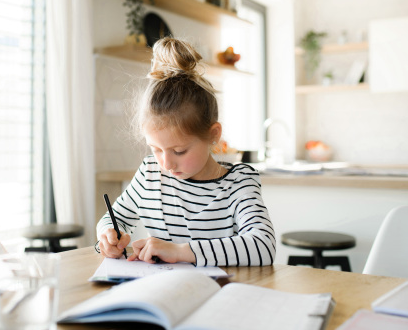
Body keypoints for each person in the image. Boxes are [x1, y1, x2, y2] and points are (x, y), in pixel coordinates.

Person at [96, 37, 276, 266]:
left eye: (179, 151)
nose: (166, 163)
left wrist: (180, 251)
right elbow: (114, 219)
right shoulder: (150, 173)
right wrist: (108, 235)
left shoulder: (238, 183)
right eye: (156, 149)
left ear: (213, 134)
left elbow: (263, 247)